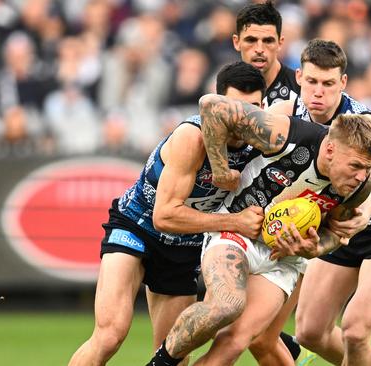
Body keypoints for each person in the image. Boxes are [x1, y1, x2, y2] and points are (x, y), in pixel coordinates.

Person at [147, 92, 371, 366]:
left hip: (283, 261)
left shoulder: (359, 186)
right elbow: (211, 106)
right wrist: (221, 170)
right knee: (226, 305)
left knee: (235, 342)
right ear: (330, 150)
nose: (360, 177)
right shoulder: (287, 136)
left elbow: (337, 232)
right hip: (237, 230)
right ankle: (161, 363)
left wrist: (315, 248)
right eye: (355, 166)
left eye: (367, 169)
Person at [68, 61, 267, 366]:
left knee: (175, 352)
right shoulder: (192, 137)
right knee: (110, 335)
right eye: (235, 108)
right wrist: (235, 222)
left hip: (185, 245)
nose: (243, 118)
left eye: (252, 108)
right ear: (218, 106)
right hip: (137, 226)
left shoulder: (265, 140)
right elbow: (165, 216)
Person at [272, 39, 371, 366]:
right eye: (311, 82)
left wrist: (352, 221)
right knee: (310, 332)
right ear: (298, 78)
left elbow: (363, 188)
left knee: (355, 332)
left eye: (328, 84)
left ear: (343, 83)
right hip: (336, 222)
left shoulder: (365, 126)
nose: (318, 92)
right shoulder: (286, 113)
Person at [234, 1, 300, 107]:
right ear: (236, 42)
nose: (259, 49)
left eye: (268, 41)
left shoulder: (299, 90)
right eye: (251, 40)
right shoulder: (227, 87)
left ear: (280, 43)